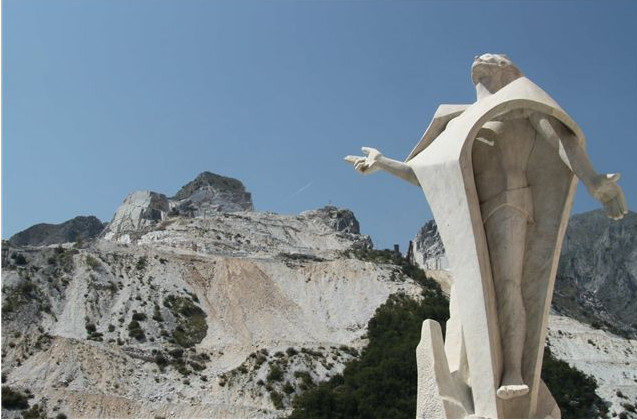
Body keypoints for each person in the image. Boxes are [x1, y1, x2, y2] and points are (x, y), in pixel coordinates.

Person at [345, 53, 627, 400]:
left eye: (494, 56)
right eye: (481, 55)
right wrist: (382, 163)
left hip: (510, 200)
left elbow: (560, 140)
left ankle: (512, 370)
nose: (482, 57)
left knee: (508, 283)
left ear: (509, 70)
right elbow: (422, 173)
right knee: (467, 298)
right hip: (471, 216)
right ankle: (472, 382)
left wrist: (592, 180)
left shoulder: (520, 104)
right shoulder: (453, 118)